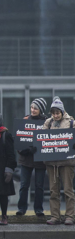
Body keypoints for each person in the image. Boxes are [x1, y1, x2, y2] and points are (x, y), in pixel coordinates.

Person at [42, 97, 75, 226]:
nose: (55, 115)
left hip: (67, 163)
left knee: (68, 190)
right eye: (53, 113)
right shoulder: (48, 123)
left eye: (58, 113)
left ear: (62, 112)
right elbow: (41, 138)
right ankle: (55, 216)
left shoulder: (71, 122)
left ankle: (70, 216)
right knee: (53, 191)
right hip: (51, 163)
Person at [16, 98, 48, 218]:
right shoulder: (25, 120)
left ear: (41, 110)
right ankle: (22, 208)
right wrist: (26, 150)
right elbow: (19, 141)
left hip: (40, 160)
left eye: (35, 108)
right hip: (26, 159)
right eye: (32, 107)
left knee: (39, 186)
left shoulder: (46, 122)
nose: (33, 110)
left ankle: (38, 209)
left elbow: (49, 141)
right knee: (24, 185)